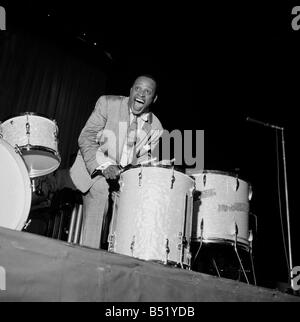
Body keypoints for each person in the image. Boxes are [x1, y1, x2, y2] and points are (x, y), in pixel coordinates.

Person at [70, 74, 163, 249]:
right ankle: (89, 255)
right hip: (94, 170)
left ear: (154, 98)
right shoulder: (107, 103)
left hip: (122, 180)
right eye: (138, 88)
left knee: (133, 207)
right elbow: (86, 138)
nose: (141, 94)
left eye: (147, 91)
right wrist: (105, 167)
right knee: (101, 191)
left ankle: (117, 259)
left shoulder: (156, 126)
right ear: (130, 91)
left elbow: (143, 160)